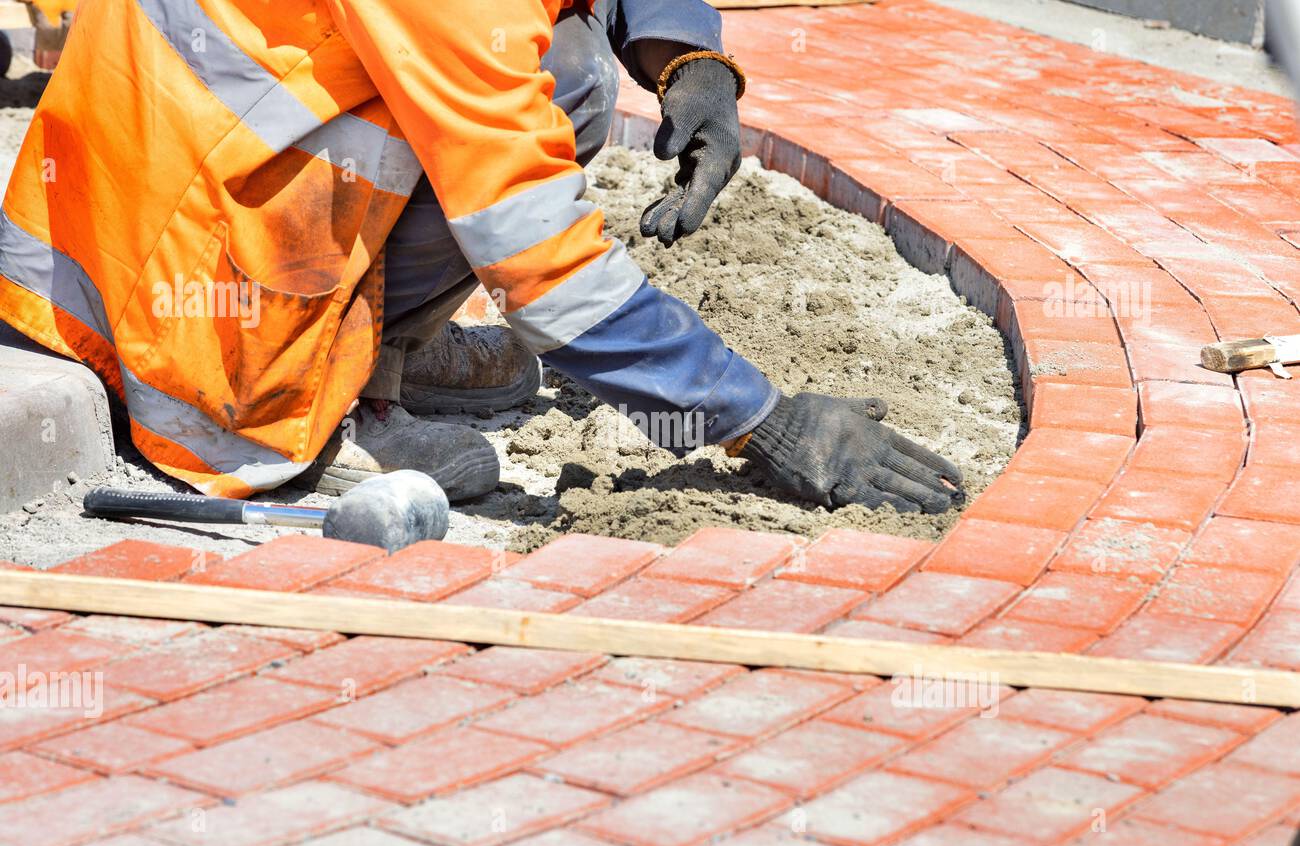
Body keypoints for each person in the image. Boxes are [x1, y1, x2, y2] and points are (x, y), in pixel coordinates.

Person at [0, 0, 963, 515]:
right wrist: (758, 419)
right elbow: (544, 265)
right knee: (551, 89)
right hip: (189, 273)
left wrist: (685, 56)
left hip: (175, 162)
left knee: (573, 58)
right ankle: (335, 403)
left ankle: (383, 344)